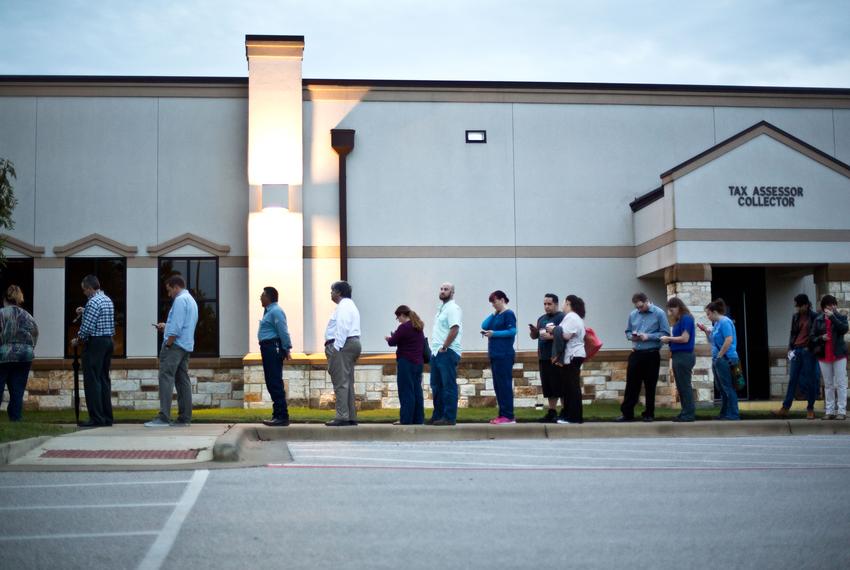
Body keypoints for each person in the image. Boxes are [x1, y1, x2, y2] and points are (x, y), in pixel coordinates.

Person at [145, 275, 198, 427]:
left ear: (176, 287)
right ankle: (184, 418)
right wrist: (165, 327)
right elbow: (184, 325)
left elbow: (176, 327)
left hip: (174, 346)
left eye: (169, 291)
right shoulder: (191, 301)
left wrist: (168, 344)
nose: (169, 294)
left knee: (166, 378)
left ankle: (163, 417)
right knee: (183, 381)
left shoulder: (180, 300)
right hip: (186, 346)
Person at [617, 292, 670, 422]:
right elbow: (628, 331)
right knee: (631, 385)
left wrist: (649, 336)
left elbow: (665, 333)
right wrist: (632, 336)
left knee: (650, 385)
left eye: (641, 306)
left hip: (651, 354)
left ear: (647, 301)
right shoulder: (633, 314)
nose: (639, 309)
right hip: (636, 353)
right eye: (637, 307)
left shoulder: (659, 313)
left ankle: (649, 413)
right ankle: (627, 414)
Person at [71, 275, 115, 428]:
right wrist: (85, 310)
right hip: (108, 341)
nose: (84, 293)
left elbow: (87, 328)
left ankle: (96, 418)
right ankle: (107, 417)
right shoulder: (106, 299)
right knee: (103, 379)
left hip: (95, 343)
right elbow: (100, 317)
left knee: (92, 380)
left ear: (90, 288)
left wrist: (78, 340)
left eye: (84, 290)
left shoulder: (93, 301)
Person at [773, 294, 820, 420]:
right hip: (796, 349)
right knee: (793, 379)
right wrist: (790, 347)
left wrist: (810, 347)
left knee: (810, 380)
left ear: (805, 305)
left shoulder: (815, 317)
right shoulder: (796, 317)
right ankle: (785, 408)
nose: (798, 309)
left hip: (808, 351)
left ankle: (810, 408)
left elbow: (817, 334)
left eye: (799, 306)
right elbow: (793, 333)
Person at [324, 281, 362, 427]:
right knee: (347, 381)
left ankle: (342, 416)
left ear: (339, 292)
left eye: (332, 290)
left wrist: (336, 348)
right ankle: (351, 415)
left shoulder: (344, 306)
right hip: (351, 344)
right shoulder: (350, 305)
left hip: (343, 345)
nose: (331, 293)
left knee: (340, 382)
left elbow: (343, 326)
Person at [0, 285, 38, 422]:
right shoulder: (27, 316)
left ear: (5, 298)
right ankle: (15, 418)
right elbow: (35, 334)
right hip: (24, 356)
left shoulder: (2, 314)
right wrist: (29, 349)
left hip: (3, 355)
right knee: (17, 389)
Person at [698, 298, 740, 421]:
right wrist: (706, 331)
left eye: (708, 314)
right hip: (718, 358)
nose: (708, 316)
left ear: (715, 312)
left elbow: (729, 340)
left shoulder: (725, 322)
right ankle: (725, 412)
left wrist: (720, 355)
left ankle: (733, 413)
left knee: (728, 387)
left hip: (726, 359)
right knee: (721, 387)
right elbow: (712, 341)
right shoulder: (716, 324)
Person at [428, 282, 463, 426]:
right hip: (437, 352)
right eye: (441, 289)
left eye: (446, 289)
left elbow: (454, 328)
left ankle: (449, 417)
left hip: (447, 351)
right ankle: (438, 416)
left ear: (452, 292)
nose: (442, 291)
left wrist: (445, 346)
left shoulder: (453, 309)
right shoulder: (441, 309)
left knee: (448, 385)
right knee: (436, 385)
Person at [258, 286, 292, 427]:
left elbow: (283, 331)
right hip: (267, 348)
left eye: (263, 295)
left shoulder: (276, 311)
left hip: (273, 347)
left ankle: (282, 416)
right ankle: (277, 414)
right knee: (271, 381)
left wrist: (287, 348)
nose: (260, 297)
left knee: (274, 381)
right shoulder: (269, 312)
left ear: (269, 297)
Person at [385, 305, 426, 425]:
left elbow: (393, 342)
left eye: (398, 317)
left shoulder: (403, 327)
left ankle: (406, 419)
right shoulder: (418, 326)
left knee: (406, 391)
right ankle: (418, 419)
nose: (398, 320)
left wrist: (389, 338)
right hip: (418, 362)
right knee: (417, 391)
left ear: (402, 315)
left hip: (406, 362)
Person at [482, 290, 517, 424]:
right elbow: (484, 325)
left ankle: (508, 415)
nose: (493, 305)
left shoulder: (509, 314)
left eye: (495, 302)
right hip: (495, 355)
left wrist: (494, 334)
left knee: (504, 385)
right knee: (498, 386)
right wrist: (494, 313)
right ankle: (502, 414)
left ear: (502, 300)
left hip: (504, 355)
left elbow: (512, 331)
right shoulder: (497, 315)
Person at [811, 295, 848, 420]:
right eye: (829, 305)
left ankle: (842, 411)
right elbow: (812, 338)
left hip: (839, 355)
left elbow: (844, 329)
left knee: (841, 383)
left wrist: (833, 317)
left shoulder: (841, 317)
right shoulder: (818, 320)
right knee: (828, 384)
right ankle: (829, 411)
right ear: (823, 307)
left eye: (834, 304)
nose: (832, 307)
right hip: (824, 355)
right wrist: (821, 338)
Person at [550, 295, 586, 424]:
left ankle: (574, 417)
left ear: (569, 303)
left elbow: (566, 335)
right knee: (569, 387)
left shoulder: (571, 317)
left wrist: (554, 329)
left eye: (564, 303)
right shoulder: (576, 317)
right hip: (574, 355)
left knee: (572, 387)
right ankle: (569, 415)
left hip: (573, 355)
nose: (562, 306)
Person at [529, 293, 565, 423]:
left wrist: (551, 337)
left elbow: (566, 335)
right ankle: (552, 411)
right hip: (543, 356)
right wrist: (534, 331)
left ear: (555, 304)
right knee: (548, 386)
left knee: (559, 385)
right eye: (545, 304)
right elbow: (535, 336)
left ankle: (564, 411)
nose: (546, 306)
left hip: (556, 357)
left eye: (549, 304)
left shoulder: (562, 317)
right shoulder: (541, 319)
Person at [661, 297, 696, 422]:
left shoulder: (686, 318)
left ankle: (689, 414)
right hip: (678, 355)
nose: (670, 313)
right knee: (681, 386)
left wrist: (669, 339)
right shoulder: (679, 320)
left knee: (685, 385)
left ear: (678, 307)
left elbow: (685, 338)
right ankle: (685, 412)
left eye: (672, 310)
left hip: (684, 355)